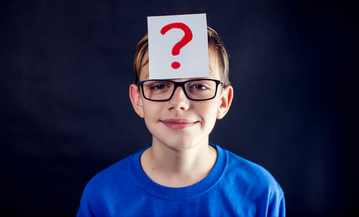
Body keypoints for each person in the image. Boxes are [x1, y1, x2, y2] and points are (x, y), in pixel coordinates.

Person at [76, 26, 285, 216]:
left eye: (199, 86)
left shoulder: (261, 191)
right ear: (138, 100)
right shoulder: (101, 196)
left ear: (223, 101)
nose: (179, 103)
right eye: (159, 86)